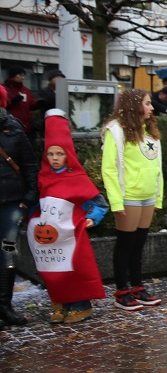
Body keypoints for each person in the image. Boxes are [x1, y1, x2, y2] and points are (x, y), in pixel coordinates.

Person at [27, 110, 107, 324]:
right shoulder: (44, 178)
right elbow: (38, 203)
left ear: (68, 154)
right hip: (49, 236)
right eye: (50, 154)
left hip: (70, 236)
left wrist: (92, 217)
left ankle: (80, 304)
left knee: (74, 268)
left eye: (59, 154)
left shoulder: (77, 178)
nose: (54, 159)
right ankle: (59, 302)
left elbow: (98, 202)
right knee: (51, 268)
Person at [101, 89, 164, 311]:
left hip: (147, 196)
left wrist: (158, 196)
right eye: (147, 103)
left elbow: (157, 167)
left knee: (139, 245)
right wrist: (116, 202)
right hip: (129, 196)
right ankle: (121, 291)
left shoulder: (150, 131)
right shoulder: (116, 130)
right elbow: (108, 169)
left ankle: (137, 286)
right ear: (134, 105)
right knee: (125, 244)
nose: (152, 107)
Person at [0, 97, 37, 328]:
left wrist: (29, 197)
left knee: (8, 252)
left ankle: (5, 306)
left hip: (11, 204)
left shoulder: (14, 129)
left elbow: (29, 164)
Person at [2, 68, 36, 134]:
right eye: (20, 75)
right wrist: (12, 102)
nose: (23, 78)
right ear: (13, 75)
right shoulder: (4, 89)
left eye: (23, 75)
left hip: (27, 127)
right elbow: (2, 105)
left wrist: (38, 104)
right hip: (11, 127)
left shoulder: (26, 90)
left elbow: (31, 105)